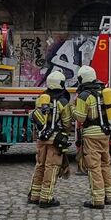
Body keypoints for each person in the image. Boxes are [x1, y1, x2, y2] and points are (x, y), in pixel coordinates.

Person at [72, 65, 111, 209]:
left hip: (91, 135)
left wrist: (72, 108)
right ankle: (108, 196)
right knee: (105, 164)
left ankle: (97, 199)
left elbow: (80, 117)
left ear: (81, 79)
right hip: (105, 134)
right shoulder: (103, 92)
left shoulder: (84, 96)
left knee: (93, 166)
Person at [28, 71, 71, 208]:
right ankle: (46, 198)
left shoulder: (42, 98)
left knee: (40, 165)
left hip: (41, 139)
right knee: (51, 168)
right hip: (54, 140)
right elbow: (67, 123)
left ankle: (34, 195)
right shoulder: (63, 102)